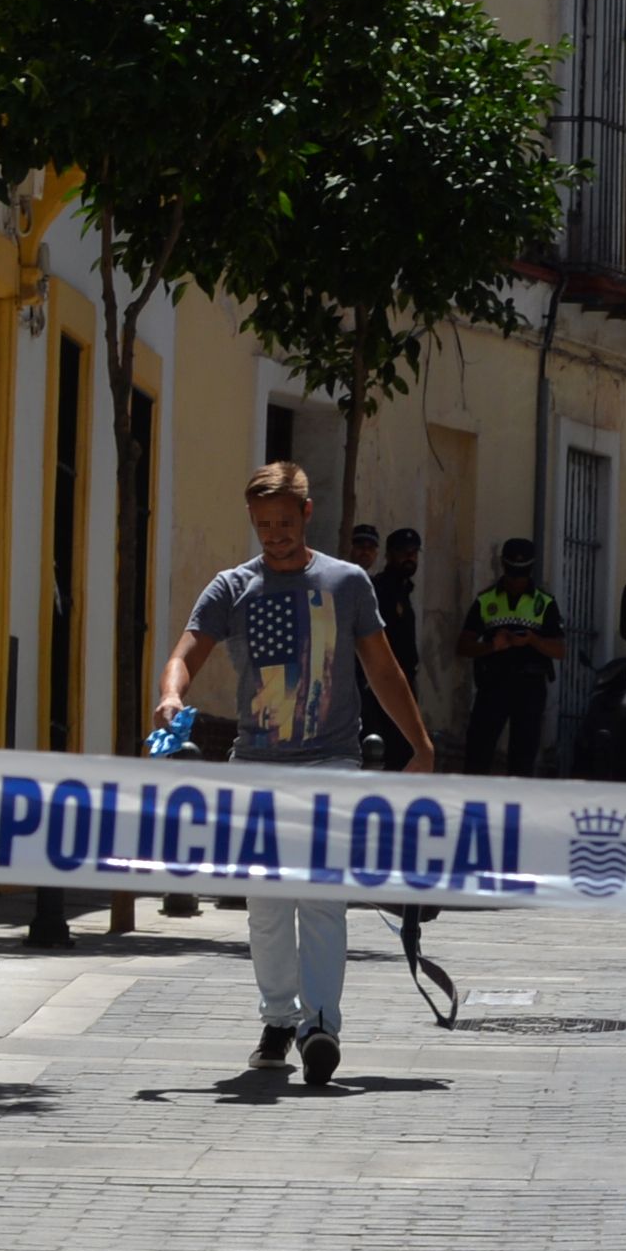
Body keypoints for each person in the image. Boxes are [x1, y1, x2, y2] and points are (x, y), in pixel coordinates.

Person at [156, 463, 433, 1087]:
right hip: (257, 768)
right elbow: (187, 650)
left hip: (331, 762)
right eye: (262, 525)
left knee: (321, 898)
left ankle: (321, 1026)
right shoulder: (232, 588)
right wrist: (172, 694)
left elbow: (383, 670)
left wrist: (419, 743)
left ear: (307, 514)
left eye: (284, 522)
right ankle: (279, 1020)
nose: (274, 535)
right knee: (267, 908)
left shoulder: (346, 582)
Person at [458, 537, 564, 776]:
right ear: (503, 567)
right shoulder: (486, 600)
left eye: (521, 574)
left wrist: (532, 640)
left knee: (523, 760)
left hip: (529, 687)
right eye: (512, 573)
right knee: (478, 754)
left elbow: (560, 650)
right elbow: (463, 646)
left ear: (530, 570)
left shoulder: (544, 603)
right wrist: (492, 646)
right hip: (493, 684)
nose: (516, 580)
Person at [361, 527, 422, 770]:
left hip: (404, 681)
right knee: (380, 751)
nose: (409, 557)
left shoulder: (404, 590)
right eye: (403, 552)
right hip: (381, 686)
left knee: (403, 753)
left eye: (413, 552)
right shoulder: (379, 589)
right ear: (388, 555)